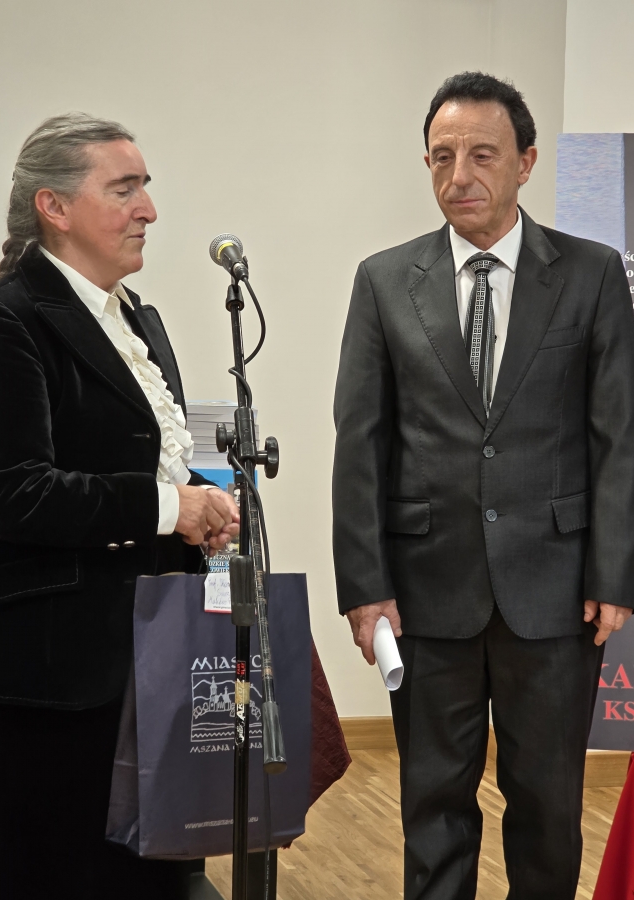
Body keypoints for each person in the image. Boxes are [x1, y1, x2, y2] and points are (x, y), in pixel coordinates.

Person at [332, 71, 634, 900]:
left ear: (525, 162)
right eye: (440, 156)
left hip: (556, 592)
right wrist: (364, 586)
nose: (457, 175)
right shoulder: (383, 280)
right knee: (432, 810)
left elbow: (617, 437)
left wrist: (613, 574)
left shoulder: (590, 274)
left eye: (480, 155)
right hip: (425, 595)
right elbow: (359, 442)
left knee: (547, 810)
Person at [0, 113, 239, 899]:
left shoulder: (137, 317)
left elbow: (144, 463)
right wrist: (170, 509)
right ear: (53, 207)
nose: (148, 208)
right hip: (51, 669)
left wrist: (205, 510)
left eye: (144, 187)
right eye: (123, 189)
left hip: (149, 649)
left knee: (144, 873)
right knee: (37, 874)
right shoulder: (4, 318)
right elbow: (14, 493)